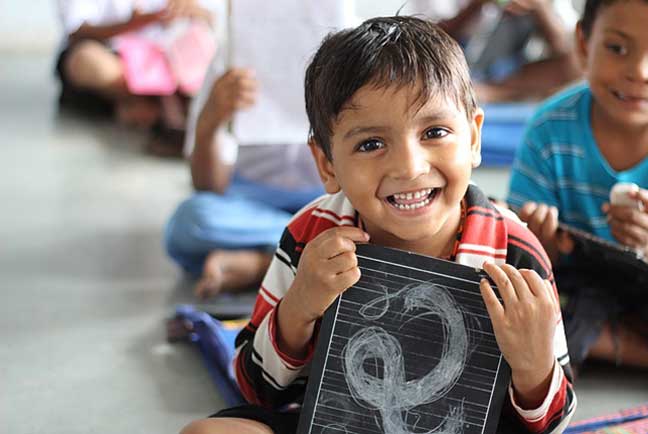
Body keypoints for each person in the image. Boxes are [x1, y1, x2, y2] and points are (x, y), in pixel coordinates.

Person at [180, 16, 576, 434]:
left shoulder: (515, 253)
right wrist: (299, 308)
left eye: (435, 132)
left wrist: (534, 368)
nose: (409, 167)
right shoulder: (311, 236)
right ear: (326, 164)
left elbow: (554, 421)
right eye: (371, 144)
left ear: (474, 139)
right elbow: (254, 388)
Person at [163, 0, 353, 298]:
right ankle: (303, 250)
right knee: (192, 220)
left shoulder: (355, 56)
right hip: (251, 200)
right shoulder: (229, 62)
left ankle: (262, 263)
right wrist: (210, 120)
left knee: (380, 221)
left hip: (331, 198)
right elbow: (208, 185)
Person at [507, 0, 648, 370]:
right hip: (579, 288)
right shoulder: (549, 130)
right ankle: (622, 343)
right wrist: (542, 248)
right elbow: (517, 252)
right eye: (617, 48)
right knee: (521, 312)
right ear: (584, 45)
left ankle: (614, 343)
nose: (639, 71)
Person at [55, 0, 213, 127]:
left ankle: (148, 107)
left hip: (164, 61)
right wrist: (137, 23)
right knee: (87, 59)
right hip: (114, 58)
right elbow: (77, 32)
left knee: (203, 49)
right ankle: (161, 106)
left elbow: (211, 18)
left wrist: (191, 9)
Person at [408, 0, 581, 102]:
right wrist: (476, 5)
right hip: (454, 66)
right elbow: (424, 41)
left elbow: (565, 49)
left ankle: (489, 93)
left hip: (511, 74)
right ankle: (477, 90)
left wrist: (539, 8)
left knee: (576, 66)